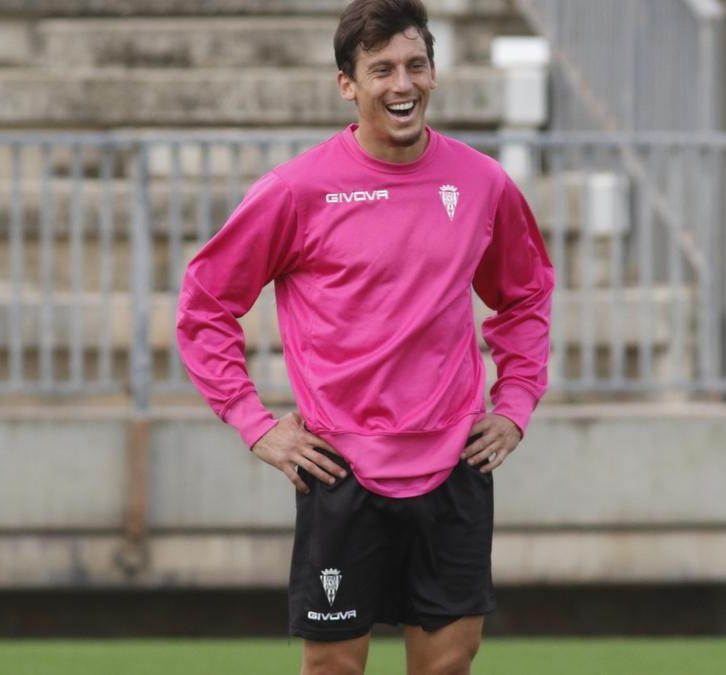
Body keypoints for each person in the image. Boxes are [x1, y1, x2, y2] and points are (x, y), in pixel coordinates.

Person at [175, 0, 554, 672]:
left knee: (446, 667)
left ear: (434, 73)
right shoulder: (297, 190)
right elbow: (205, 304)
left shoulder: (482, 182)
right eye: (381, 69)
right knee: (334, 670)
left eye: (415, 65)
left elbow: (524, 293)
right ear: (347, 84)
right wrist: (256, 424)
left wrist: (517, 400)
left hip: (454, 464)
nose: (402, 84)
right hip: (339, 469)